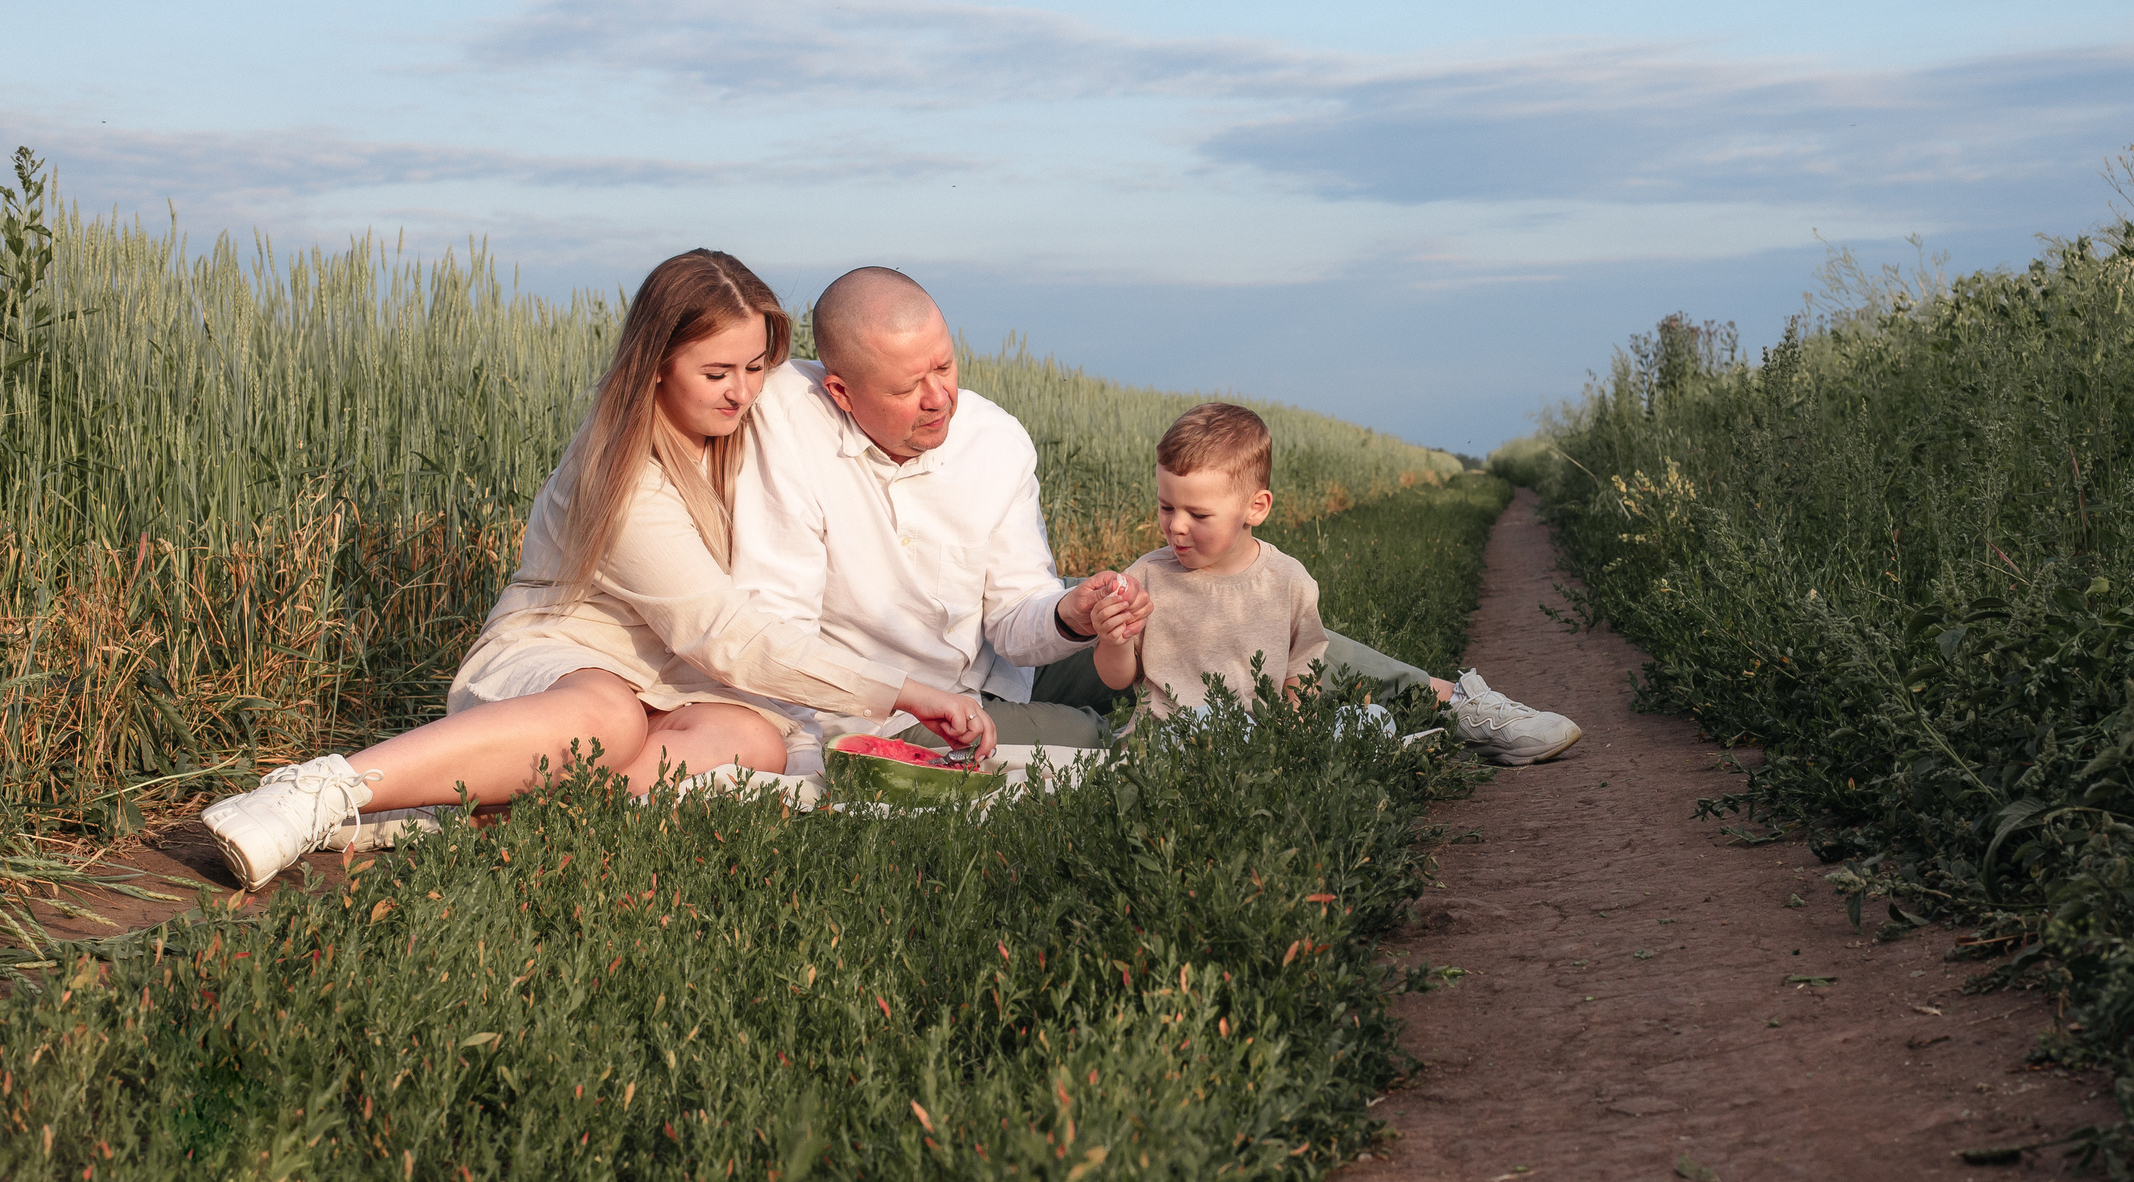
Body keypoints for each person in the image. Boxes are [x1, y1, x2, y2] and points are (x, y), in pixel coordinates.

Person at [199, 250, 993, 893]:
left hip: (669, 683)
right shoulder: (622, 472)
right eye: (717, 372)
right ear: (655, 364)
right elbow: (720, 631)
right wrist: (907, 688)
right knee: (607, 719)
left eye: (756, 368)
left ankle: (465, 812)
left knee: (752, 737)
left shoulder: (749, 430)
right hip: (558, 657)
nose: (743, 393)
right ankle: (318, 789)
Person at [732, 265, 1583, 764]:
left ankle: (1452, 701)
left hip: (1009, 656)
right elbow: (777, 630)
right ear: (840, 391)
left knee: (1217, 602)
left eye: (946, 364)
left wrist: (1073, 610)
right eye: (906, 386)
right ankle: (1208, 739)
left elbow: (1016, 616)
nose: (940, 397)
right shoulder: (782, 423)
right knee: (1112, 738)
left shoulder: (993, 441)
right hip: (909, 704)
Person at [1088, 401, 1327, 723]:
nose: (1176, 526)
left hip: (1256, 739)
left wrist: (1292, 738)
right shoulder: (1146, 578)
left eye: (1198, 514)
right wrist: (1112, 639)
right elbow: (1116, 680)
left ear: (1256, 507)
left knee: (1373, 717)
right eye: (1166, 507)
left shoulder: (1287, 581)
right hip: (1168, 740)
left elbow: (1303, 674)